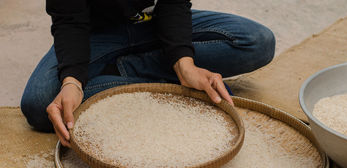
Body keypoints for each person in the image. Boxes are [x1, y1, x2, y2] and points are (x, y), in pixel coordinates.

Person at [20, 0, 275, 147]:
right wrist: (72, 81)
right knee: (39, 104)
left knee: (256, 42)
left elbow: (173, 3)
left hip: (152, 25)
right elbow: (69, 20)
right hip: (94, 35)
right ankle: (132, 73)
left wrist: (183, 63)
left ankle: (124, 70)